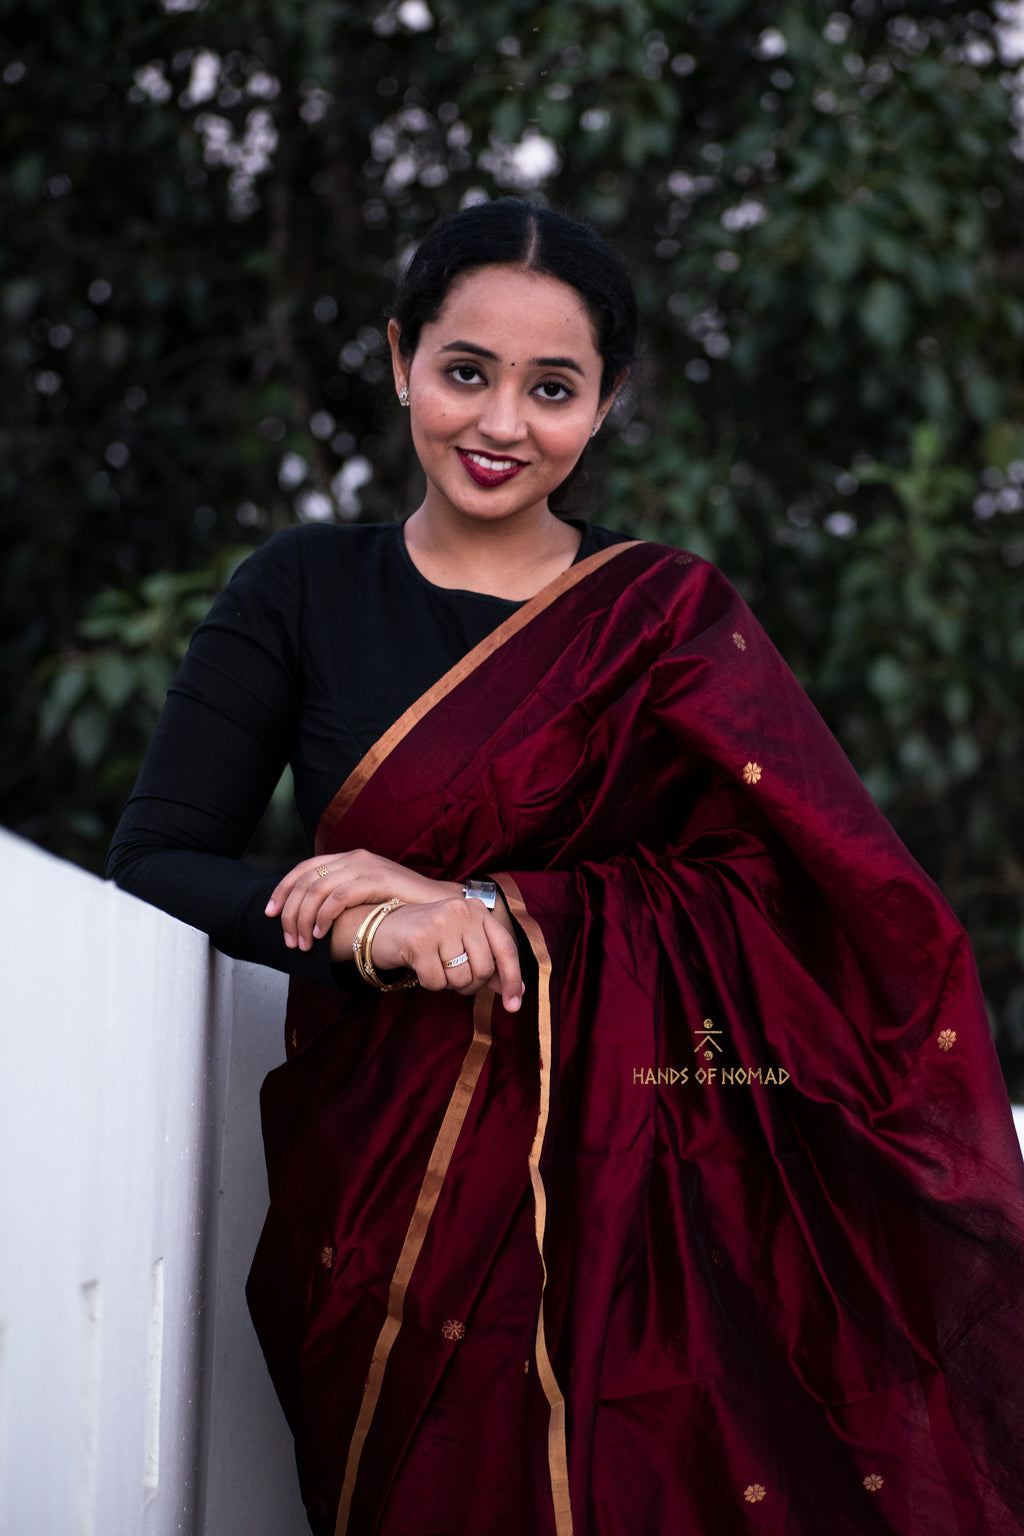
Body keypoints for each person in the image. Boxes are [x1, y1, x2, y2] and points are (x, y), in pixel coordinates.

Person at [108, 197, 1024, 1536]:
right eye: (466, 370)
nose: (500, 423)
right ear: (401, 356)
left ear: (606, 404)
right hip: (377, 1195)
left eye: (553, 388)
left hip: (651, 1207)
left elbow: (812, 898)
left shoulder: (667, 621)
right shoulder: (301, 589)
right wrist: (371, 930)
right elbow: (158, 855)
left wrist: (497, 907)